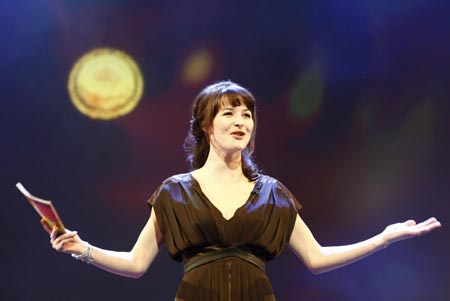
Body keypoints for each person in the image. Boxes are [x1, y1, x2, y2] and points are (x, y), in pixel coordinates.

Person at [45, 80, 441, 301]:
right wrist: (83, 249)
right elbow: (136, 263)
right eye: (228, 113)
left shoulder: (273, 194)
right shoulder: (174, 193)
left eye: (247, 114)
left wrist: (384, 238)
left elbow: (317, 258)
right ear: (205, 126)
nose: (241, 121)